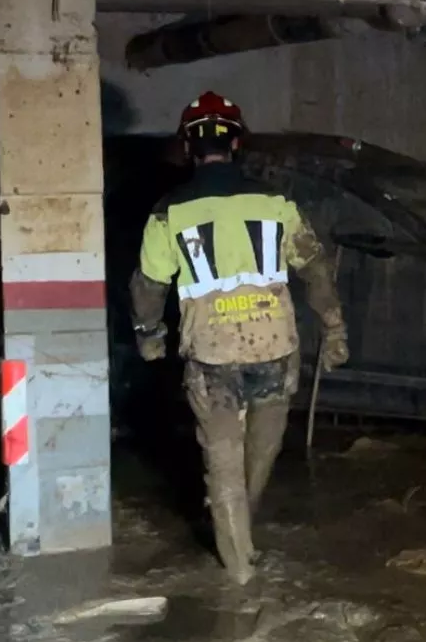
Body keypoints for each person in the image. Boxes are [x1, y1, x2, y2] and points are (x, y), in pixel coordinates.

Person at [129, 91, 349, 584]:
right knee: (261, 455)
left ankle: (239, 576)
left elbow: (147, 285)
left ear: (188, 147)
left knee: (222, 463)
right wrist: (334, 330)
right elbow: (315, 269)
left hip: (212, 358)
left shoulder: (168, 213)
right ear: (237, 144)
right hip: (275, 350)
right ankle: (241, 535)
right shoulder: (276, 203)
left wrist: (150, 335)